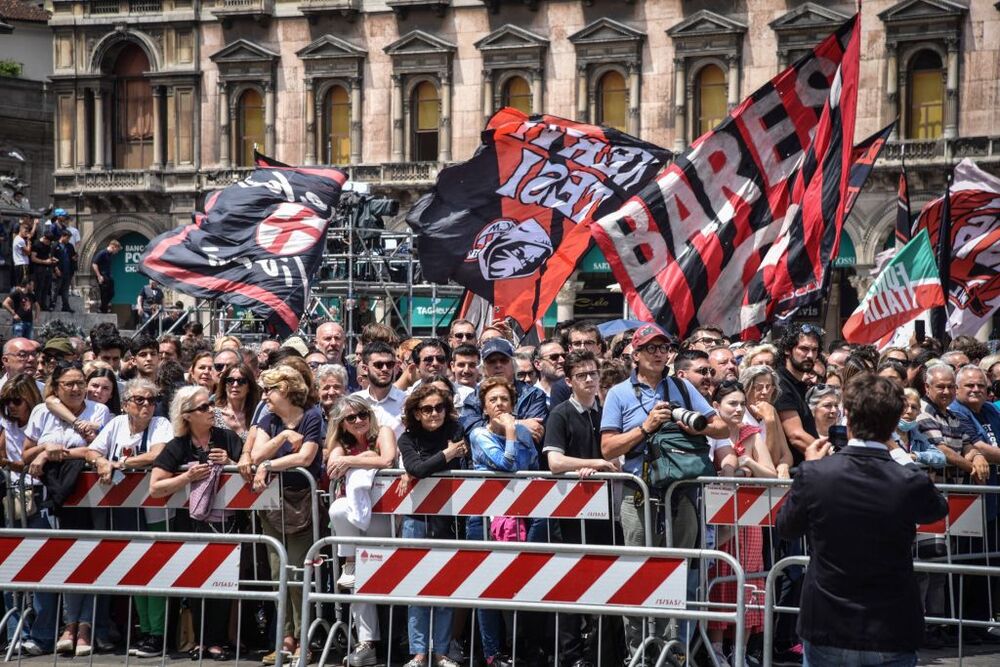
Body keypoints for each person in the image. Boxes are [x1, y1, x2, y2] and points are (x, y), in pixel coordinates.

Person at [776, 374, 948, 667]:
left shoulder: (816, 473)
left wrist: (810, 468)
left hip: (831, 624)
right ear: (894, 424)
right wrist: (902, 456)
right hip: (887, 626)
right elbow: (936, 508)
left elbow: (787, 526)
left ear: (849, 419)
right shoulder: (907, 479)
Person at [600, 323, 725, 661]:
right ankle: (639, 651)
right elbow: (608, 448)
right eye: (650, 348)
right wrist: (646, 428)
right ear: (635, 354)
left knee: (679, 570)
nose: (658, 353)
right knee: (638, 571)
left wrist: (693, 423)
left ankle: (675, 651)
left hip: (680, 492)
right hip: (637, 493)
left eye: (662, 347)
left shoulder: (682, 388)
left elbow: (722, 426)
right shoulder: (619, 394)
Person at [22, 362, 113, 658]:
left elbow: (94, 449)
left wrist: (52, 452)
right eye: (69, 384)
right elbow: (25, 453)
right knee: (55, 561)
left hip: (90, 498)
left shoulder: (97, 410)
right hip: (52, 496)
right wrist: (44, 450)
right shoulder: (41, 412)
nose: (76, 388)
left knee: (90, 559)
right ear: (56, 386)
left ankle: (83, 626)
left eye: (80, 383)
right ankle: (63, 627)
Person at [149, 385, 241, 661]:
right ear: (187, 415)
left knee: (222, 582)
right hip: (189, 523)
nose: (210, 410)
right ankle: (199, 640)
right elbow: (156, 487)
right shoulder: (177, 445)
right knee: (195, 580)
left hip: (225, 523)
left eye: (211, 404)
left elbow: (247, 472)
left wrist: (231, 462)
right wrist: (187, 478)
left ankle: (217, 640)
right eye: (203, 407)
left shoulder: (227, 437)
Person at [83, 378, 172, 658]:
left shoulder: (161, 425)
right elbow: (92, 450)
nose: (147, 405)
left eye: (151, 400)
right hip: (123, 509)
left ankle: (156, 633)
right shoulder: (116, 424)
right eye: (139, 400)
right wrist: (100, 461)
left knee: (155, 569)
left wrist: (121, 463)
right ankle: (142, 628)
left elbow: (158, 453)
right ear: (125, 404)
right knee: (134, 568)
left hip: (156, 508)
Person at [543, 350, 620, 667]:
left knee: (608, 581)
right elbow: (555, 461)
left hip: (607, 512)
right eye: (582, 375)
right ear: (569, 380)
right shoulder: (560, 414)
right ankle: (571, 655)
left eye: (594, 373)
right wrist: (593, 463)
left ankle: (603, 654)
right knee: (571, 582)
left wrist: (604, 464)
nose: (590, 379)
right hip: (571, 514)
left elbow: (618, 456)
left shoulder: (606, 412)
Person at [249, 366, 324, 665]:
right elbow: (255, 455)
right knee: (278, 571)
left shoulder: (312, 415)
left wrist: (269, 465)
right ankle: (285, 637)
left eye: (270, 389)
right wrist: (280, 441)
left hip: (302, 501)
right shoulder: (268, 418)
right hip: (272, 503)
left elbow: (306, 457)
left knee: (297, 572)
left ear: (287, 390)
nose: (265, 395)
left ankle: (302, 637)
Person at [467, 376, 543, 666]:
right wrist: (513, 431)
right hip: (485, 520)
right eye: (493, 400)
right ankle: (492, 653)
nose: (500, 405)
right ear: (484, 408)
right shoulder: (479, 434)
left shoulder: (522, 433)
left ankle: (519, 648)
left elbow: (533, 467)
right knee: (487, 587)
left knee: (521, 582)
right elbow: (507, 465)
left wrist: (516, 431)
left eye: (504, 400)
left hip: (522, 518)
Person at [397, 385, 467, 667]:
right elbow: (417, 468)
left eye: (439, 407)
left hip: (448, 516)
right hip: (416, 517)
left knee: (445, 586)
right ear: (416, 412)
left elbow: (423, 469)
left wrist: (422, 469)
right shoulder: (407, 437)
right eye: (427, 409)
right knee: (416, 586)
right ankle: (419, 652)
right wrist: (446, 457)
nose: (434, 413)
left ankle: (441, 652)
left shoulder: (455, 429)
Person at [707, 381, 776, 666]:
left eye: (740, 404)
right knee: (719, 583)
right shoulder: (710, 434)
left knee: (749, 582)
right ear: (716, 407)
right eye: (731, 404)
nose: (737, 409)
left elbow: (771, 474)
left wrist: (748, 462)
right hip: (719, 519)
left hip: (750, 519)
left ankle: (741, 651)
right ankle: (717, 651)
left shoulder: (751, 432)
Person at [326, 395, 397, 667]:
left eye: (363, 414)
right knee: (359, 582)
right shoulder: (340, 444)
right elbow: (333, 468)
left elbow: (388, 460)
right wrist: (359, 458)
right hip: (354, 524)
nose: (358, 421)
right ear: (341, 424)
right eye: (351, 418)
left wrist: (360, 458)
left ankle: (401, 642)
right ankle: (365, 643)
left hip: (384, 517)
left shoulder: (384, 432)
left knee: (375, 579)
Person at [0, 373, 54, 656]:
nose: (11, 406)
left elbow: (28, 459)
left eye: (16, 400)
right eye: (6, 401)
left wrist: (32, 455)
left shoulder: (44, 420)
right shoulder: (5, 425)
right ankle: (15, 634)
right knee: (10, 569)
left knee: (42, 571)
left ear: (30, 399)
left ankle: (42, 635)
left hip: (39, 499)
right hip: (12, 498)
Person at [740, 365, 793, 479]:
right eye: (758, 387)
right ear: (746, 389)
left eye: (769, 387)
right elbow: (770, 462)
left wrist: (784, 465)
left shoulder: (771, 411)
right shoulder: (740, 415)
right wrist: (769, 422)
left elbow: (786, 454)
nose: (764, 392)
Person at [214, 362, 259, 442]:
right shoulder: (212, 415)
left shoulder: (257, 416)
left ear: (249, 387)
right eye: (230, 380)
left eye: (241, 381)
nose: (235, 385)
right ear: (224, 385)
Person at [91, 239, 121, 313]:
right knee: (104, 293)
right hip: (102, 276)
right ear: (113, 247)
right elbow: (94, 264)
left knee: (111, 293)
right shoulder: (103, 253)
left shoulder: (110, 255)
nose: (117, 252)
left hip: (108, 276)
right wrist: (99, 276)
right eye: (117, 249)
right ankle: (103, 309)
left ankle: (103, 307)